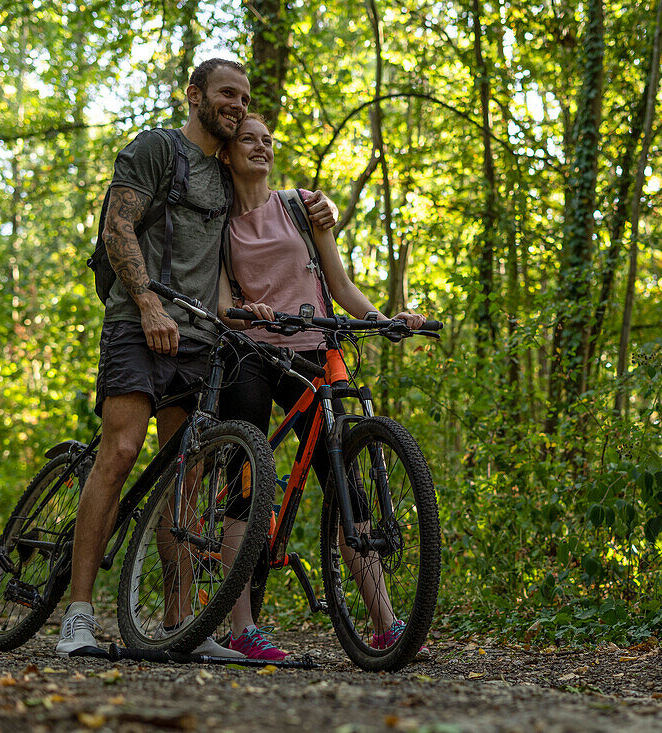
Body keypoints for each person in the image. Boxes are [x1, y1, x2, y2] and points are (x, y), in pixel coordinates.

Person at [56, 61, 337, 656]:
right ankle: (77, 615)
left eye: (245, 97)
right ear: (194, 97)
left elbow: (267, 223)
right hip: (139, 323)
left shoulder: (226, 175)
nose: (237, 104)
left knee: (187, 477)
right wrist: (148, 304)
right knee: (121, 451)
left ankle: (179, 625)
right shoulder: (157, 149)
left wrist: (319, 210)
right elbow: (118, 226)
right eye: (226, 94)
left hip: (201, 341)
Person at [213, 114, 427, 661]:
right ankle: (241, 629)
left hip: (314, 349)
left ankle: (384, 624)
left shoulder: (302, 206)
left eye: (267, 141)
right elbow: (220, 304)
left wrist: (381, 318)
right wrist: (245, 313)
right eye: (248, 140)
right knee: (245, 480)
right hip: (251, 353)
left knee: (345, 481)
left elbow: (339, 284)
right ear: (226, 152)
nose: (261, 148)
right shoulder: (217, 221)